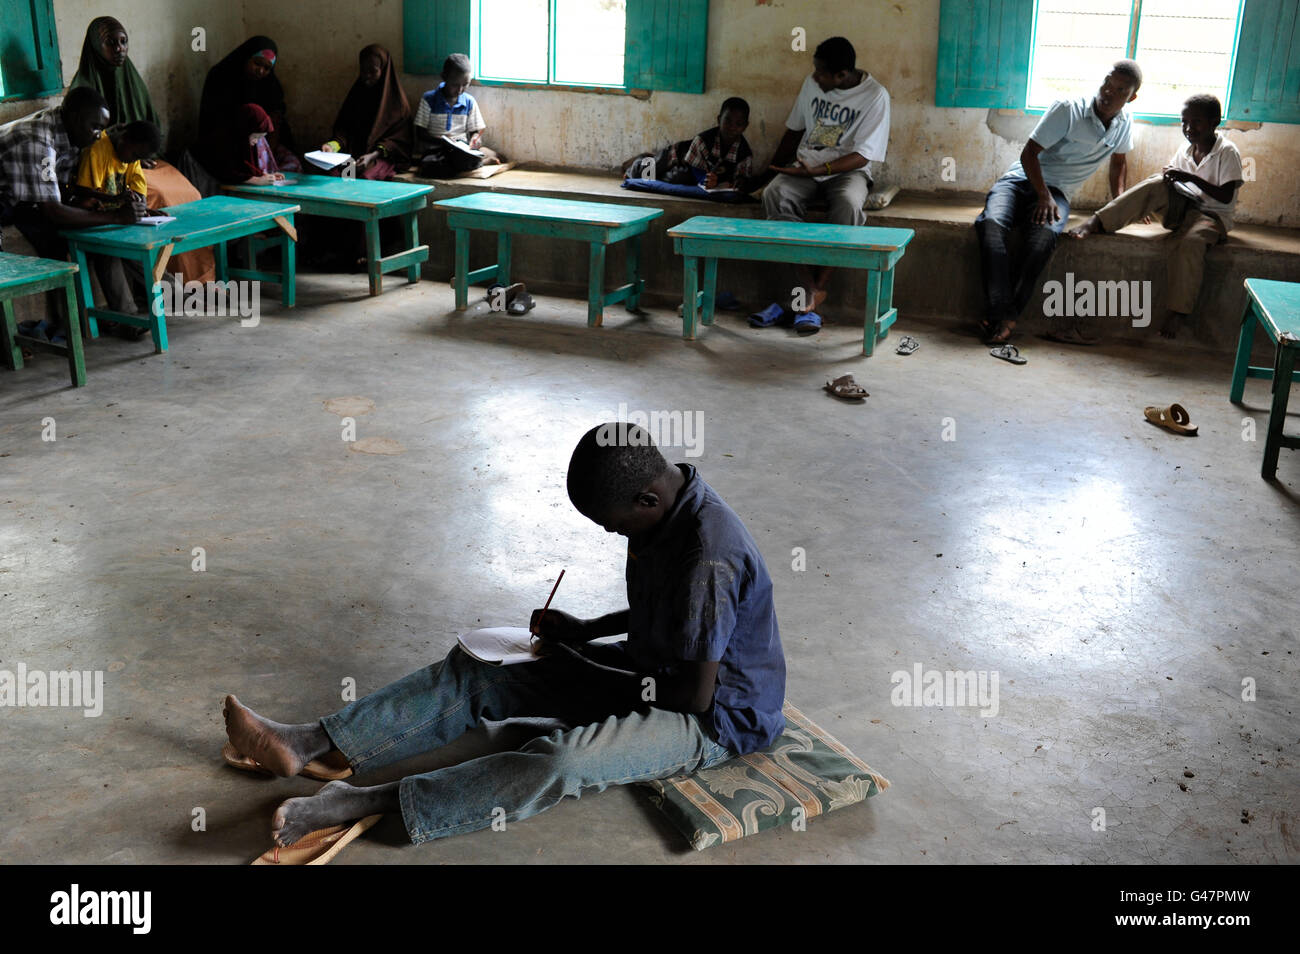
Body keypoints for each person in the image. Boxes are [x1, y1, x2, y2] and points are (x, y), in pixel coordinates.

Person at [222, 422, 787, 852]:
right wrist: (586, 631)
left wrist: (582, 668)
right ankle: (307, 742)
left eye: (611, 525)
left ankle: (362, 800)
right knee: (484, 671)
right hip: (654, 667)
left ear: (646, 501)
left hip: (717, 717)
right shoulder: (664, 509)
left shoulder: (709, 556)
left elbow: (693, 696)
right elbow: (664, 613)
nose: (610, 532)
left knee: (559, 763)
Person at [975, 60, 1141, 346]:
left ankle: (1004, 315)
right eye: (1106, 84)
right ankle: (1004, 312)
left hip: (1058, 193)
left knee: (1042, 240)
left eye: (1119, 90)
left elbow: (1119, 163)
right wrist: (1042, 195)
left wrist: (1121, 203)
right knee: (990, 225)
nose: (1108, 93)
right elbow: (1029, 154)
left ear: (1131, 97)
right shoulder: (1068, 109)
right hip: (1019, 182)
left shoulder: (1124, 123)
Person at [1067, 94, 1243, 339]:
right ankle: (1099, 220)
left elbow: (1225, 196)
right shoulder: (1186, 148)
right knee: (1158, 182)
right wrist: (1168, 182)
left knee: (1190, 243)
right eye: (1184, 122)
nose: (1189, 128)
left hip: (1212, 217)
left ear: (1215, 122)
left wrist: (1189, 178)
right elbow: (1175, 182)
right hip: (1184, 208)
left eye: (1197, 122)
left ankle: (1178, 312)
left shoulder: (1227, 151)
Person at [750, 36, 890, 336]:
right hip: (805, 168)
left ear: (842, 75)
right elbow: (794, 130)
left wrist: (821, 169)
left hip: (847, 172)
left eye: (822, 73)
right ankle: (809, 289)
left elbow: (863, 155)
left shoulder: (875, 96)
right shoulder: (812, 84)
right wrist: (769, 173)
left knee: (849, 205)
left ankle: (817, 289)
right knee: (775, 194)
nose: (815, 77)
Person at [69, 15, 215, 284]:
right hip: (107, 169)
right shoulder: (81, 91)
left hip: (139, 161)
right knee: (159, 196)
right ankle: (176, 281)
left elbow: (150, 125)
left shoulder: (132, 80)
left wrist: (144, 154)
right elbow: (80, 146)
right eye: (111, 43)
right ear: (94, 46)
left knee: (189, 192)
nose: (119, 49)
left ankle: (201, 276)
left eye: (124, 42)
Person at [0, 87, 142, 342]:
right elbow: (53, 210)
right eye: (95, 127)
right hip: (8, 199)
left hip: (19, 197)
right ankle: (9, 341)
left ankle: (81, 323)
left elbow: (63, 189)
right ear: (75, 118)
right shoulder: (38, 141)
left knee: (82, 235)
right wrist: (117, 217)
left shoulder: (72, 133)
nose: (99, 136)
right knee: (57, 236)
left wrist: (108, 200)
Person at [71, 120, 161, 337]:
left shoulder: (130, 154)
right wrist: (117, 206)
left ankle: (177, 293)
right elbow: (85, 200)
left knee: (142, 249)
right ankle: (127, 319)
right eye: (135, 155)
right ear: (124, 140)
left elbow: (137, 188)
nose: (134, 160)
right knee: (108, 253)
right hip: (91, 222)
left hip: (117, 221)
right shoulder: (97, 150)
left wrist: (142, 207)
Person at [197, 37, 301, 179]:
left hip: (261, 144)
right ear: (246, 58)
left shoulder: (270, 86)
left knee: (291, 165)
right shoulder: (221, 77)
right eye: (257, 64)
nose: (261, 71)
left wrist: (267, 153)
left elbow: (275, 122)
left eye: (267, 68)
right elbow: (216, 123)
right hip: (228, 145)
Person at [318, 44, 412, 181]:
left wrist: (372, 155)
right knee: (333, 175)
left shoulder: (398, 106)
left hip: (380, 157)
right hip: (354, 154)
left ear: (384, 70)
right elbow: (344, 130)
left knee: (365, 176)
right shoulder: (357, 96)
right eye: (363, 70)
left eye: (373, 71)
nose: (367, 76)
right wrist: (332, 145)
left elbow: (398, 143)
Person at [623, 97, 755, 191]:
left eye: (739, 124)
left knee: (678, 178)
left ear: (745, 126)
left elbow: (742, 177)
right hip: (677, 155)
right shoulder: (703, 140)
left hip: (688, 172)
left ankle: (652, 161)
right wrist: (706, 180)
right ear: (719, 119)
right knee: (646, 173)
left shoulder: (745, 153)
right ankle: (638, 163)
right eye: (728, 121)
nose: (732, 127)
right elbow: (696, 169)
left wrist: (738, 183)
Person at [414, 54, 502, 177]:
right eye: (455, 84)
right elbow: (420, 133)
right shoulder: (429, 99)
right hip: (436, 150)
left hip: (461, 150)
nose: (460, 89)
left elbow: (475, 132)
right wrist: (444, 141)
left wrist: (475, 139)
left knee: (464, 158)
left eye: (465, 84)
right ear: (444, 77)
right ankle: (481, 162)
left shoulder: (468, 102)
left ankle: (479, 159)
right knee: (430, 166)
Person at [205, 104, 285, 185]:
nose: (256, 142)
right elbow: (225, 172)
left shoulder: (246, 143)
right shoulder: (223, 141)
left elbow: (246, 169)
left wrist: (266, 176)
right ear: (245, 130)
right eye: (255, 137)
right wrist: (256, 180)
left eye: (260, 138)